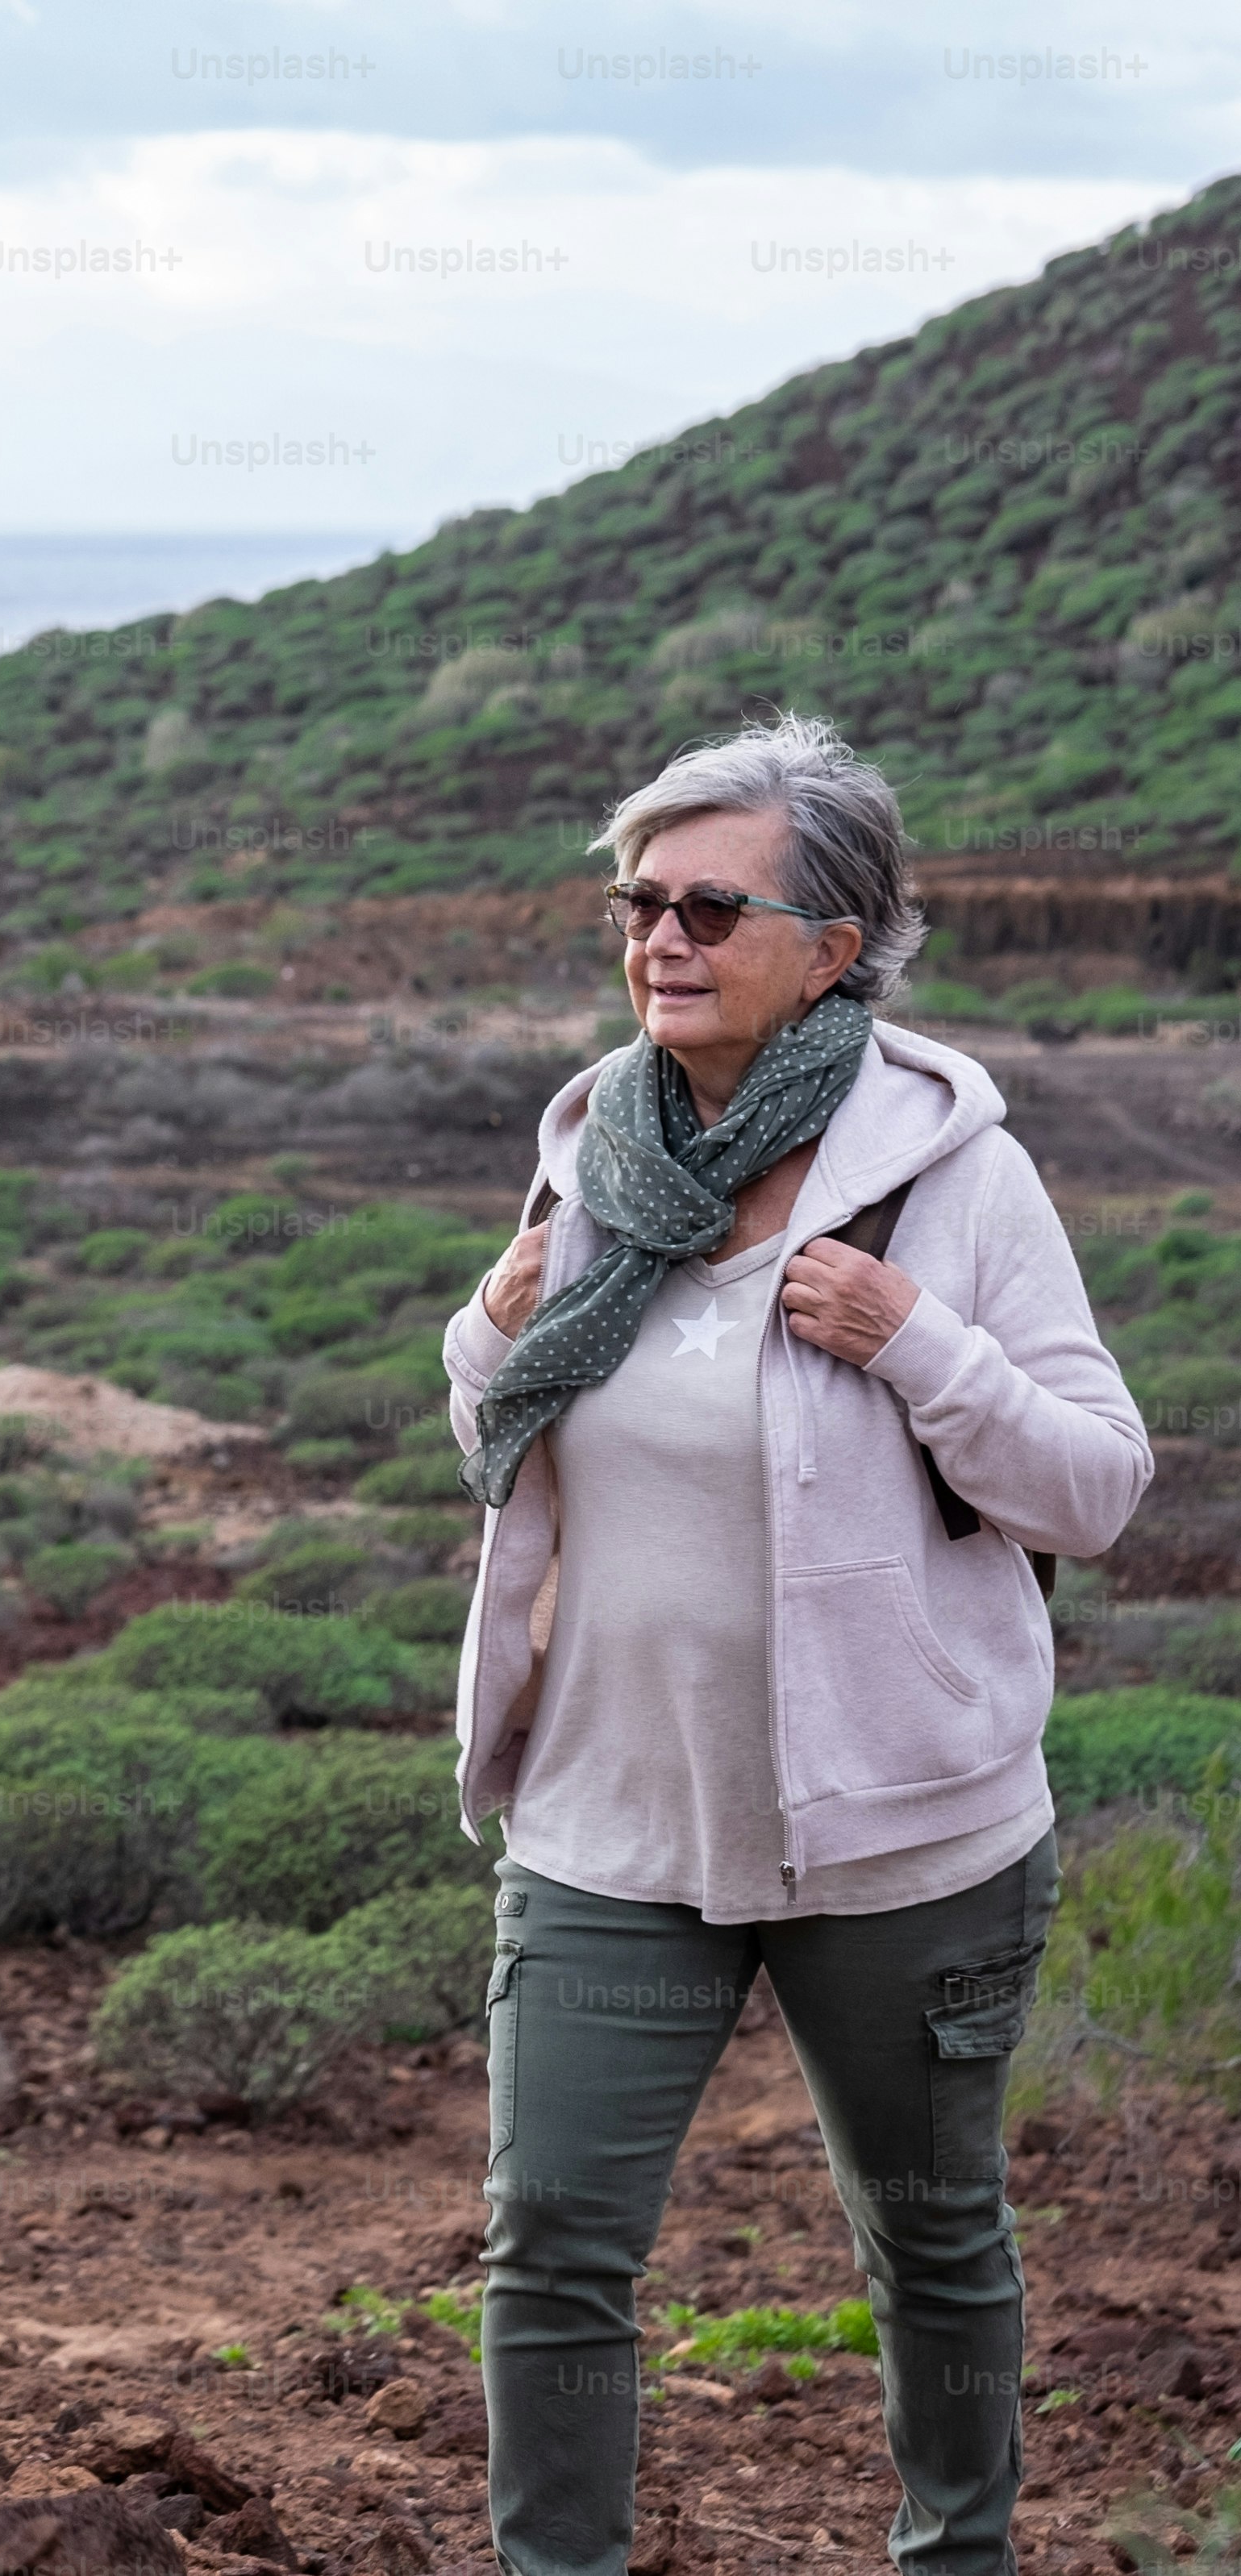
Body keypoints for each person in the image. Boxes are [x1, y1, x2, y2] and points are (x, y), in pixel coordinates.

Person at [442, 712, 1153, 2576]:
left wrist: (915, 1338)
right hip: (610, 1819)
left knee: (927, 2236)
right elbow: (521, 1450)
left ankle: (955, 2552)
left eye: (704, 904)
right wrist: (477, 1340)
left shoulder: (949, 1177)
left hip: (903, 1835)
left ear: (831, 945)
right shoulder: (594, 1145)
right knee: (551, 2244)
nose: (655, 938)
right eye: (632, 901)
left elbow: (1089, 1487)